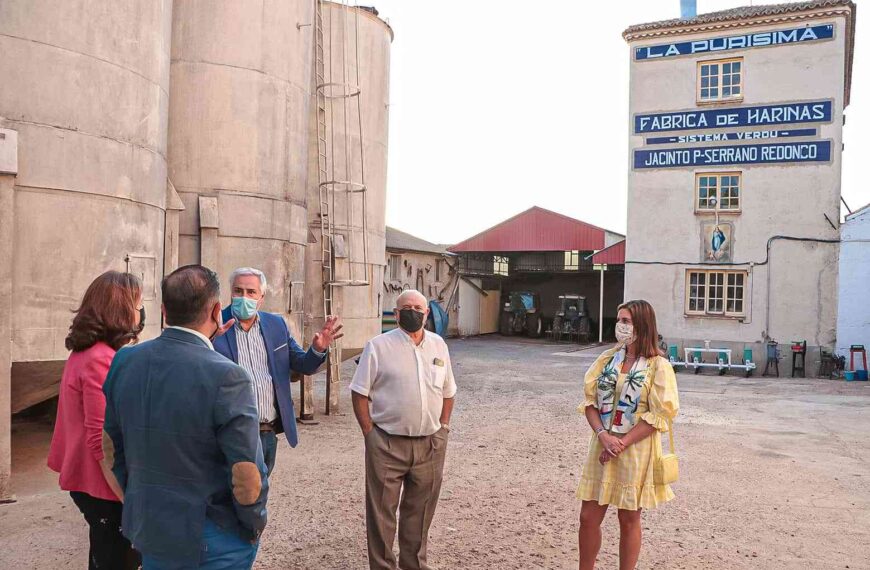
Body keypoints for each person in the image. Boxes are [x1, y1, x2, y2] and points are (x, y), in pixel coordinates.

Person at [102, 265, 269, 570]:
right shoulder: (229, 376)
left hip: (151, 526)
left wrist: (138, 501)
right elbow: (246, 473)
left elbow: (112, 448)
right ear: (217, 310)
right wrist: (253, 525)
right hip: (211, 536)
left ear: (164, 311)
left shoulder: (125, 361)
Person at [350, 289, 457, 570]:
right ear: (396, 314)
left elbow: (448, 392)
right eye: (406, 307)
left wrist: (443, 428)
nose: (413, 312)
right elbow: (359, 393)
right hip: (386, 443)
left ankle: (414, 565)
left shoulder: (438, 346)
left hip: (430, 445)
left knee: (419, 513)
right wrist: (370, 434)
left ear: (426, 313)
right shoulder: (378, 346)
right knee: (382, 514)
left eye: (418, 307)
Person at [47, 271, 144, 570]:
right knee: (116, 557)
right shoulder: (100, 359)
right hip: (102, 486)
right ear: (120, 309)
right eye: (137, 304)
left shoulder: (85, 352)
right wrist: (129, 500)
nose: (140, 312)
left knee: (104, 554)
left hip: (90, 483)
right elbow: (102, 441)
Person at [576, 300, 680, 570]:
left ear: (642, 326)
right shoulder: (608, 359)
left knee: (629, 518)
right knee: (588, 516)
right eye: (619, 320)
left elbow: (659, 415)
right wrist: (603, 435)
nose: (620, 326)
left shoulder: (658, 366)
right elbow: (589, 403)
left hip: (635, 448)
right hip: (602, 445)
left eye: (626, 322)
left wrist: (621, 442)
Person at [214, 267, 343, 475]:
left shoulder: (276, 325)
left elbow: (303, 365)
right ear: (230, 292)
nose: (243, 297)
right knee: (233, 497)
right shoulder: (215, 324)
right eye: (238, 291)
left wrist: (318, 349)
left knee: (259, 497)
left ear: (261, 297)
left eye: (251, 292)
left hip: (267, 432)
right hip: (231, 434)